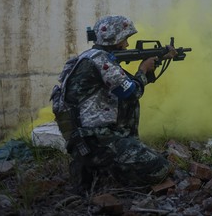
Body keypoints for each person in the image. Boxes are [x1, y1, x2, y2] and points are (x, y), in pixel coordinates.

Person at [51, 15, 177, 192]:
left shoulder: (88, 57)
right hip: (98, 140)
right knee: (161, 168)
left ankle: (93, 169)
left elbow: (122, 87)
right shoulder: (102, 61)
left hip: (83, 142)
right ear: (115, 39)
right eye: (125, 39)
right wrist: (143, 70)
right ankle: (114, 172)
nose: (127, 45)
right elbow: (130, 92)